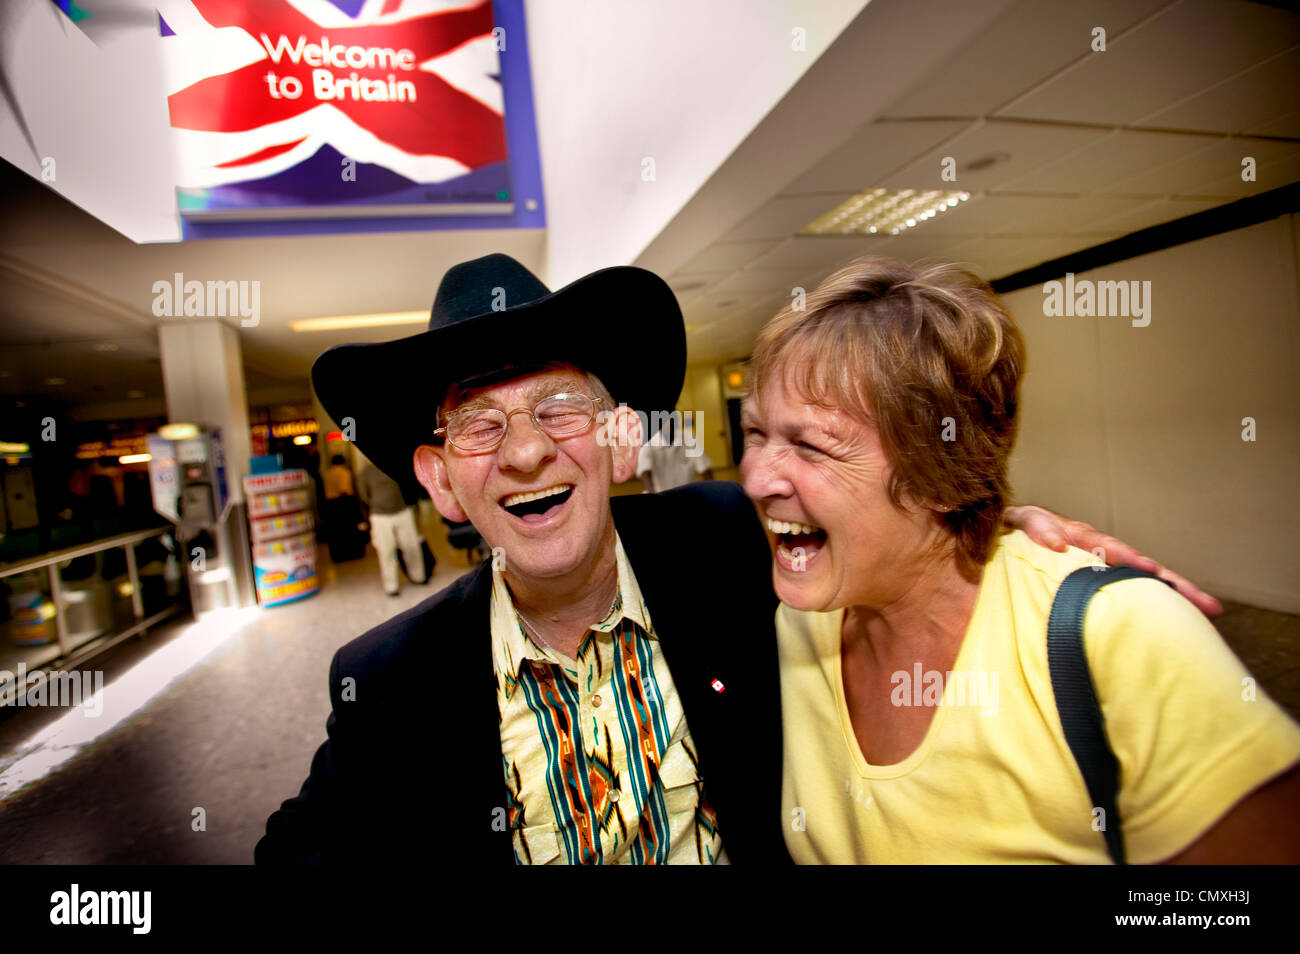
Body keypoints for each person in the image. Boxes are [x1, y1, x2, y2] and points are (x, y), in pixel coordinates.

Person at [257, 254, 1211, 866]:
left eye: (560, 408)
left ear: (621, 438)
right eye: (479, 424)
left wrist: (997, 533)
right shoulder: (388, 683)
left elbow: (878, 526)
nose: (524, 452)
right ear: (440, 480)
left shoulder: (727, 547)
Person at [739, 256, 1300, 864]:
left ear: (940, 473)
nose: (755, 478)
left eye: (810, 445)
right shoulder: (802, 620)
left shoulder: (1124, 636)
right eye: (755, 434)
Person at [356, 460, 427, 596]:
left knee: (411, 546)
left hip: (402, 511)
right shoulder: (366, 473)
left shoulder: (394, 465)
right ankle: (391, 586)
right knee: (386, 551)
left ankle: (419, 577)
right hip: (380, 516)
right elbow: (364, 496)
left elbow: (408, 483)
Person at [636, 415, 714, 492]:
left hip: (689, 494)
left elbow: (705, 470)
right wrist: (653, 493)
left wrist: (709, 493)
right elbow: (645, 472)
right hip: (661, 493)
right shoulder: (648, 442)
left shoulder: (689, 438)